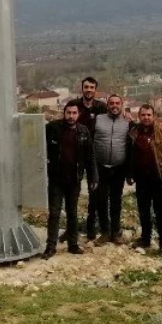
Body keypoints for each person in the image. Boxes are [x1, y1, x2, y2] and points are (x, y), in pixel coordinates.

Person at [43, 99, 98, 258]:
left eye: (74, 113)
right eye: (69, 113)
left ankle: (73, 245)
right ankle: (51, 246)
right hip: (56, 179)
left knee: (72, 213)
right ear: (64, 113)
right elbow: (38, 146)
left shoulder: (83, 132)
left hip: (74, 180)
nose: (71, 116)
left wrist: (93, 176)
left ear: (78, 114)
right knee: (54, 213)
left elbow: (90, 156)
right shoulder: (52, 128)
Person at [126, 104, 162, 254]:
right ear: (139, 116)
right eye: (143, 115)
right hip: (141, 178)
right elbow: (130, 155)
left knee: (160, 211)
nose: (146, 118)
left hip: (158, 177)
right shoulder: (134, 132)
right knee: (143, 211)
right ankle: (145, 239)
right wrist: (129, 174)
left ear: (153, 116)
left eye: (149, 115)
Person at [90, 93, 131, 243]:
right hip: (100, 168)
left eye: (117, 103)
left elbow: (130, 145)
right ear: (107, 105)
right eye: (111, 103)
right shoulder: (98, 120)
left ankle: (115, 232)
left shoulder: (127, 122)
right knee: (101, 200)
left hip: (119, 168)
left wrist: (129, 171)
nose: (114, 106)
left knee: (116, 200)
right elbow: (90, 142)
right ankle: (105, 232)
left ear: (121, 105)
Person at [73, 77, 107, 240]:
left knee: (95, 191)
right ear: (82, 88)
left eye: (91, 87)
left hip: (95, 154)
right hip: (76, 154)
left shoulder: (101, 107)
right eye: (86, 87)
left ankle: (91, 227)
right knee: (72, 192)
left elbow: (113, 118)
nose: (88, 90)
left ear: (95, 90)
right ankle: (70, 230)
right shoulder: (74, 105)